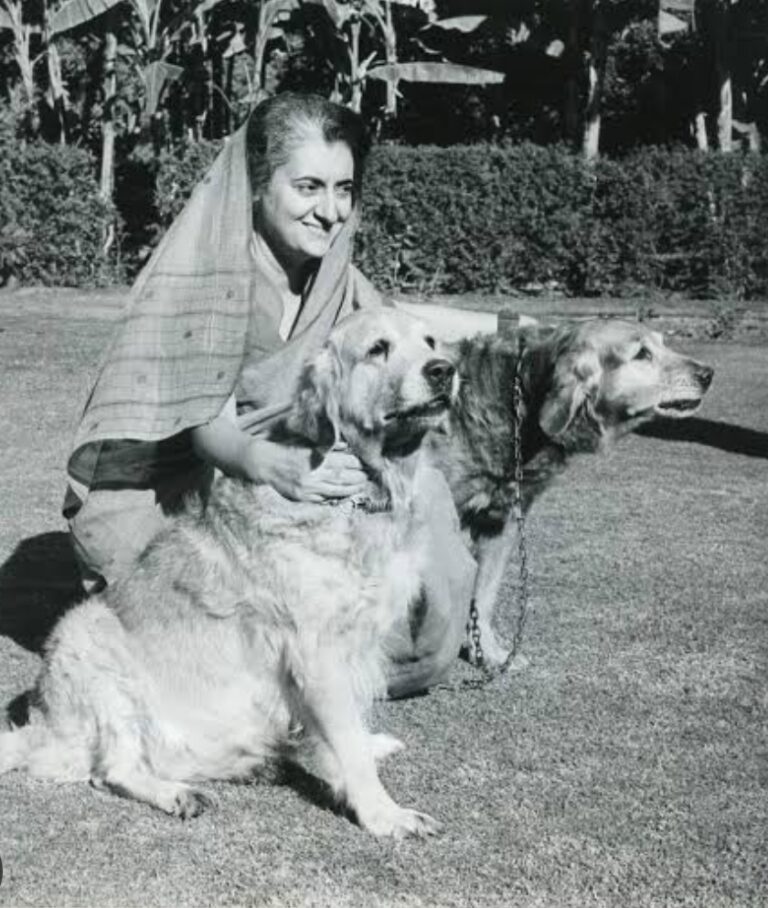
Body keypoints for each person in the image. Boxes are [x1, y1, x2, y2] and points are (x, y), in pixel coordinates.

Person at [63, 92, 484, 695]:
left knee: (421, 610)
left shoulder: (332, 275)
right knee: (206, 663)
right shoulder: (210, 274)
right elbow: (208, 425)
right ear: (258, 185)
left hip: (288, 482)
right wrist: (273, 465)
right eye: (309, 187)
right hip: (180, 490)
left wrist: (519, 330)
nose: (330, 211)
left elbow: (401, 320)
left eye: (344, 189)